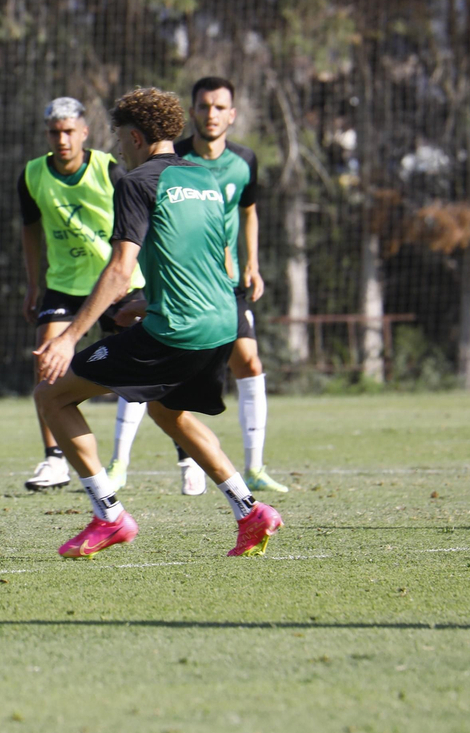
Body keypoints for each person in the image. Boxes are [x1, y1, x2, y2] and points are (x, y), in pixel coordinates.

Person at [33, 87, 284, 559]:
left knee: (52, 393)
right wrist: (147, 302)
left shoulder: (135, 182)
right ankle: (250, 513)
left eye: (119, 139)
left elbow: (120, 267)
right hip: (222, 324)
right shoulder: (206, 178)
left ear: (133, 136)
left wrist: (69, 337)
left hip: (179, 329)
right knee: (168, 411)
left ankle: (109, 517)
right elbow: (210, 258)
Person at [19, 96, 149, 493]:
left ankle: (181, 453)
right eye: (55, 133)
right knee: (47, 357)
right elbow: (30, 230)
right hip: (64, 284)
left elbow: (138, 220)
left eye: (69, 132)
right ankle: (54, 459)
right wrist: (33, 284)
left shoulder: (109, 170)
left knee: (145, 367)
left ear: (84, 132)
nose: (62, 140)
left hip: (116, 284)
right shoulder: (32, 174)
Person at [171, 76, 288, 494]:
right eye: (204, 106)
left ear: (232, 114)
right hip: (184, 284)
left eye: (220, 107)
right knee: (186, 369)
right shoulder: (173, 158)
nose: (212, 114)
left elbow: (249, 210)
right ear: (193, 111)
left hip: (228, 284)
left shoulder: (244, 161)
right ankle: (186, 458)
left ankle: (255, 466)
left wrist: (252, 263)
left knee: (249, 363)